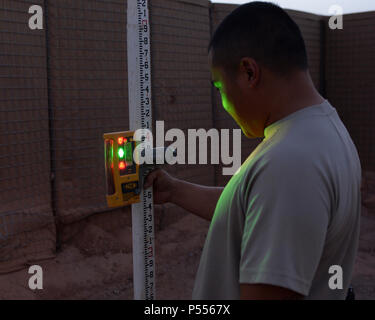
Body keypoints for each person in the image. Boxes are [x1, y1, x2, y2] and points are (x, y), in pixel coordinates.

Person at [144, 2, 361, 300]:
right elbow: (253, 208)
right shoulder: (320, 131)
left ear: (249, 72)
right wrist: (175, 190)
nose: (223, 103)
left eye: (220, 87)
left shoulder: (289, 163)